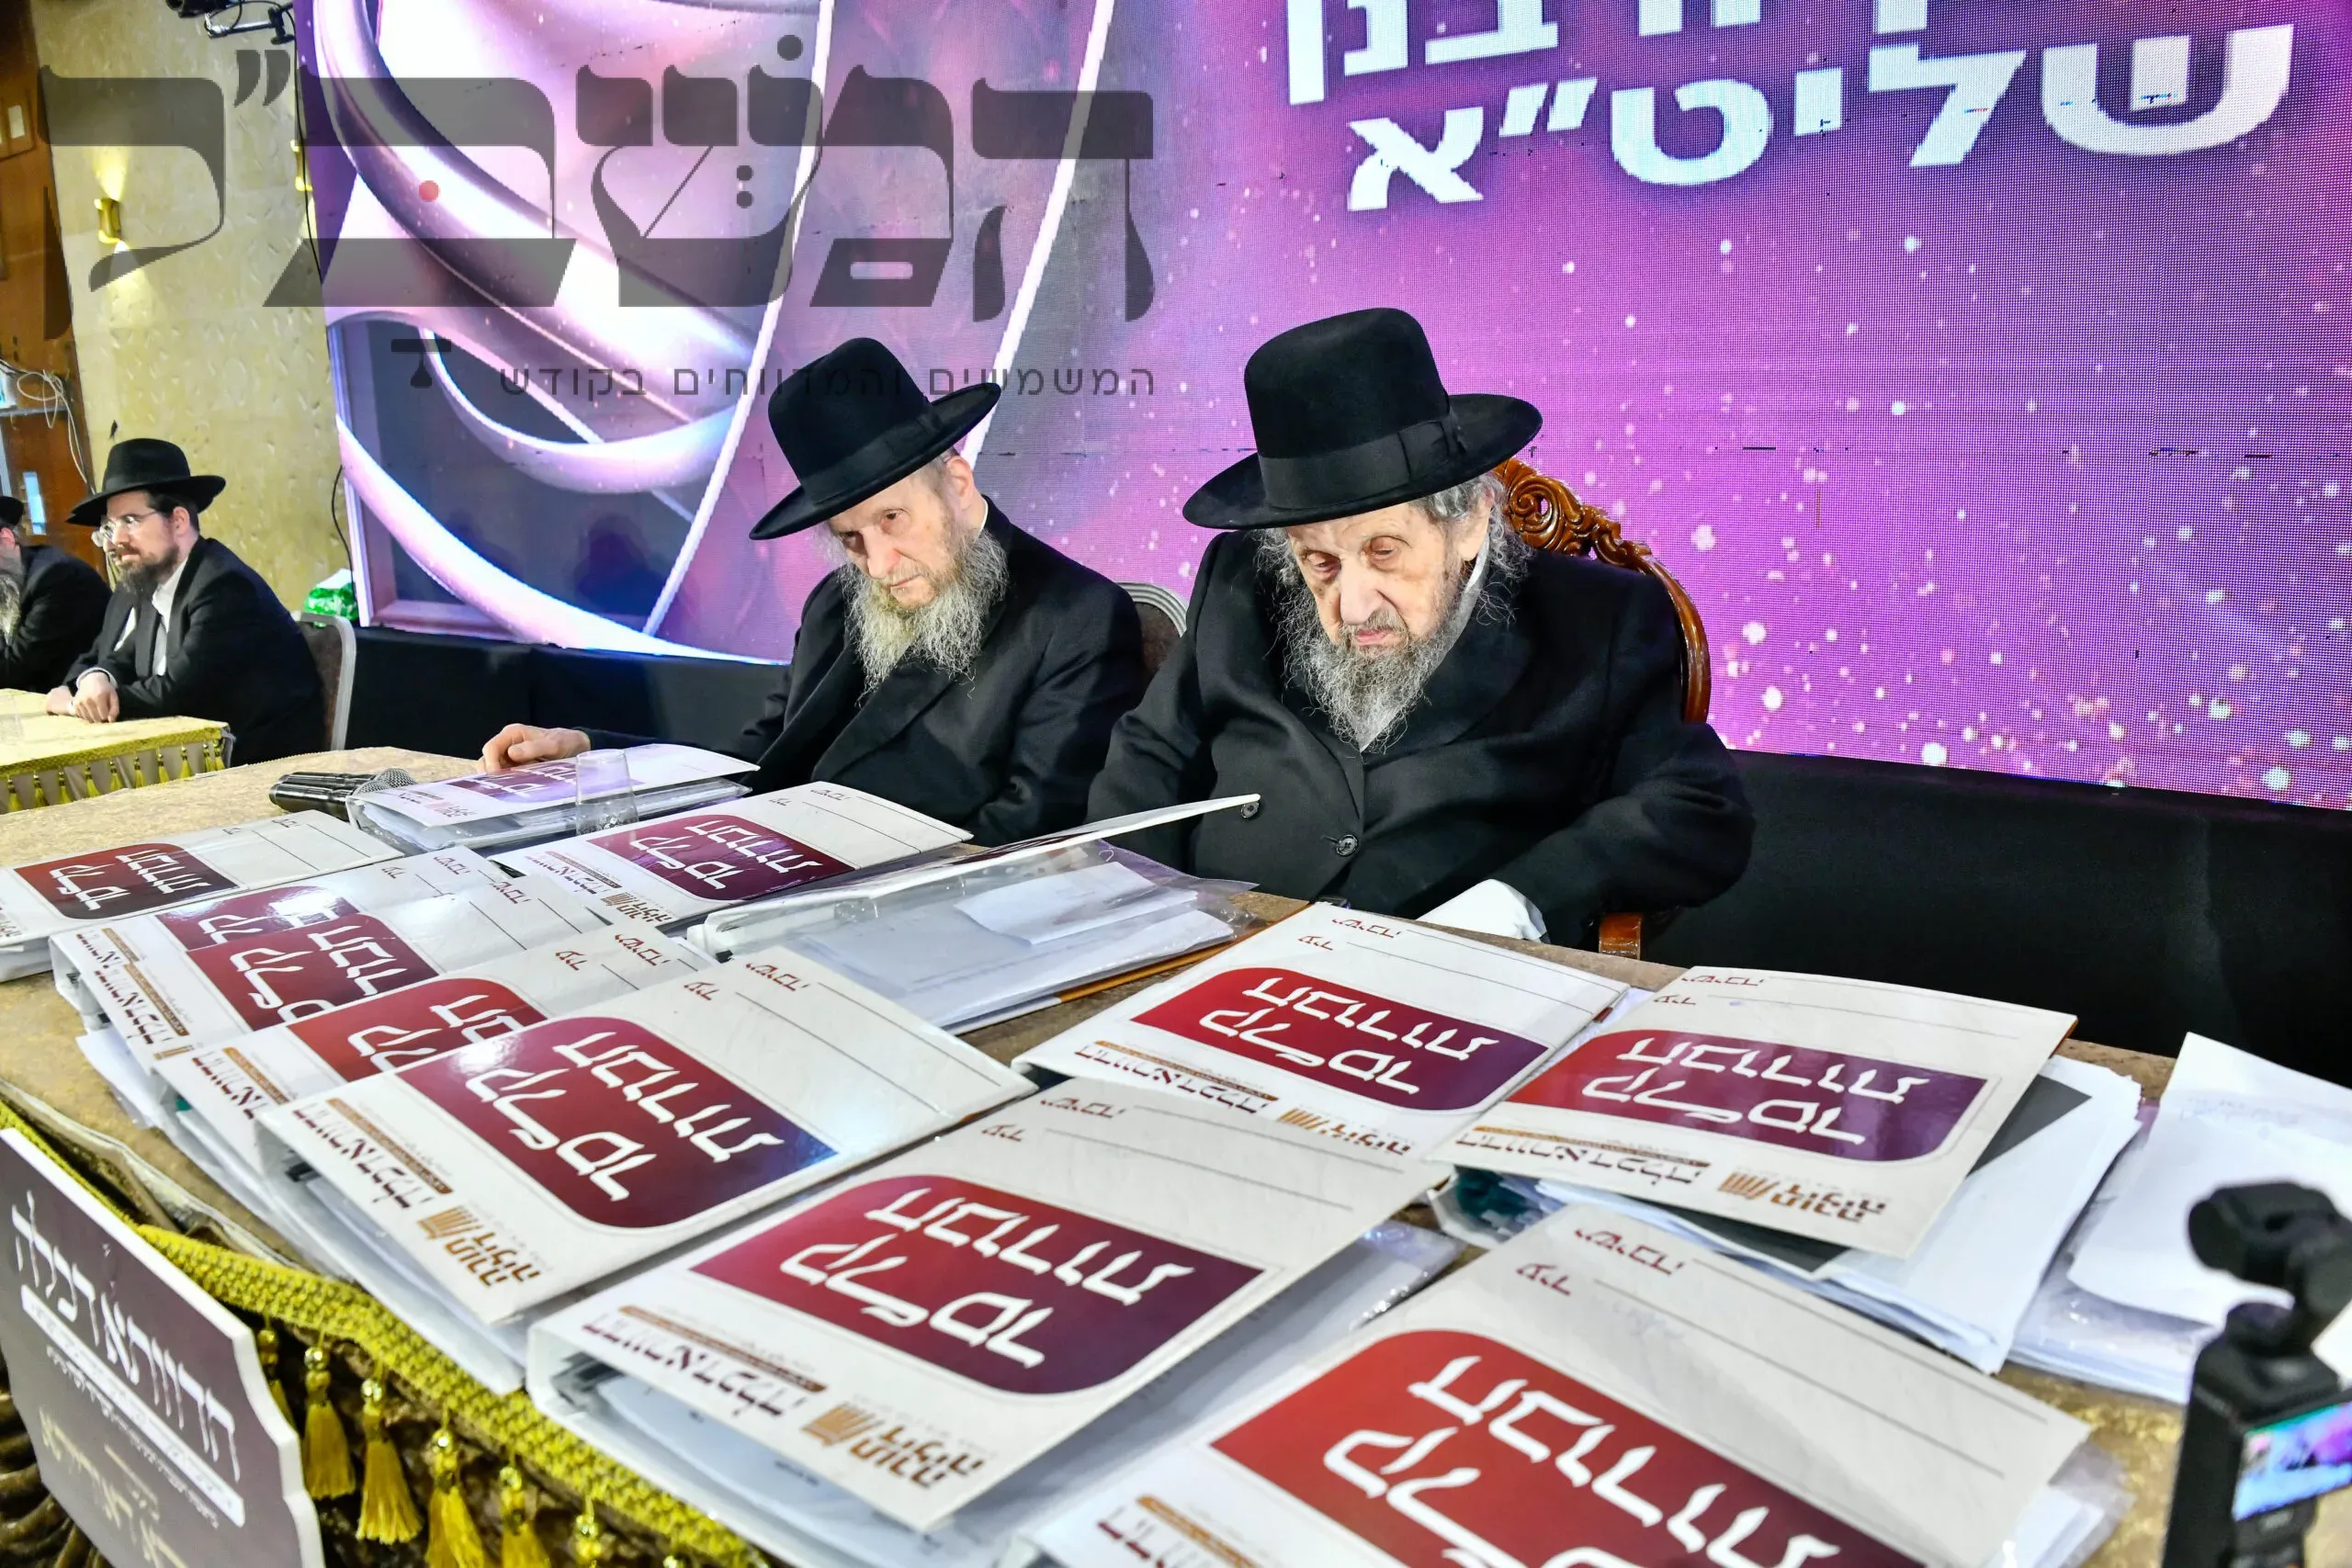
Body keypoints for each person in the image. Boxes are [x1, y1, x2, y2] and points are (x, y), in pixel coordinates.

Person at [1089, 307, 1752, 945]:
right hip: (1219, 951)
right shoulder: (1239, 577)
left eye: (1384, 552)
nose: (1353, 607)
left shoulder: (1598, 618)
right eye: (1319, 562)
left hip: (1446, 978)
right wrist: (1136, 916)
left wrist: (1521, 902)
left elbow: (1696, 805)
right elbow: (1152, 755)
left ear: (1469, 521)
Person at [481, 338, 1148, 845]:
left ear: (957, 484)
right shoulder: (835, 602)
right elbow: (760, 759)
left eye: (893, 519)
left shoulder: (1075, 618)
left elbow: (1032, 834)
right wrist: (592, 757)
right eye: (850, 537)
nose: (878, 565)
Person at [50, 439, 324, 764]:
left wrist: (76, 705)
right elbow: (123, 659)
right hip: (196, 755)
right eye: (110, 527)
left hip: (261, 765)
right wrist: (96, 678)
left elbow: (178, 693)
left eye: (130, 521)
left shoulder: (224, 586)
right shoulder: (157, 584)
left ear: (178, 521)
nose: (115, 541)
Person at [0, 495, 107, 694]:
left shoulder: (55, 576)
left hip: (92, 697)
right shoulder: (8, 583)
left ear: (6, 538)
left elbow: (16, 667)